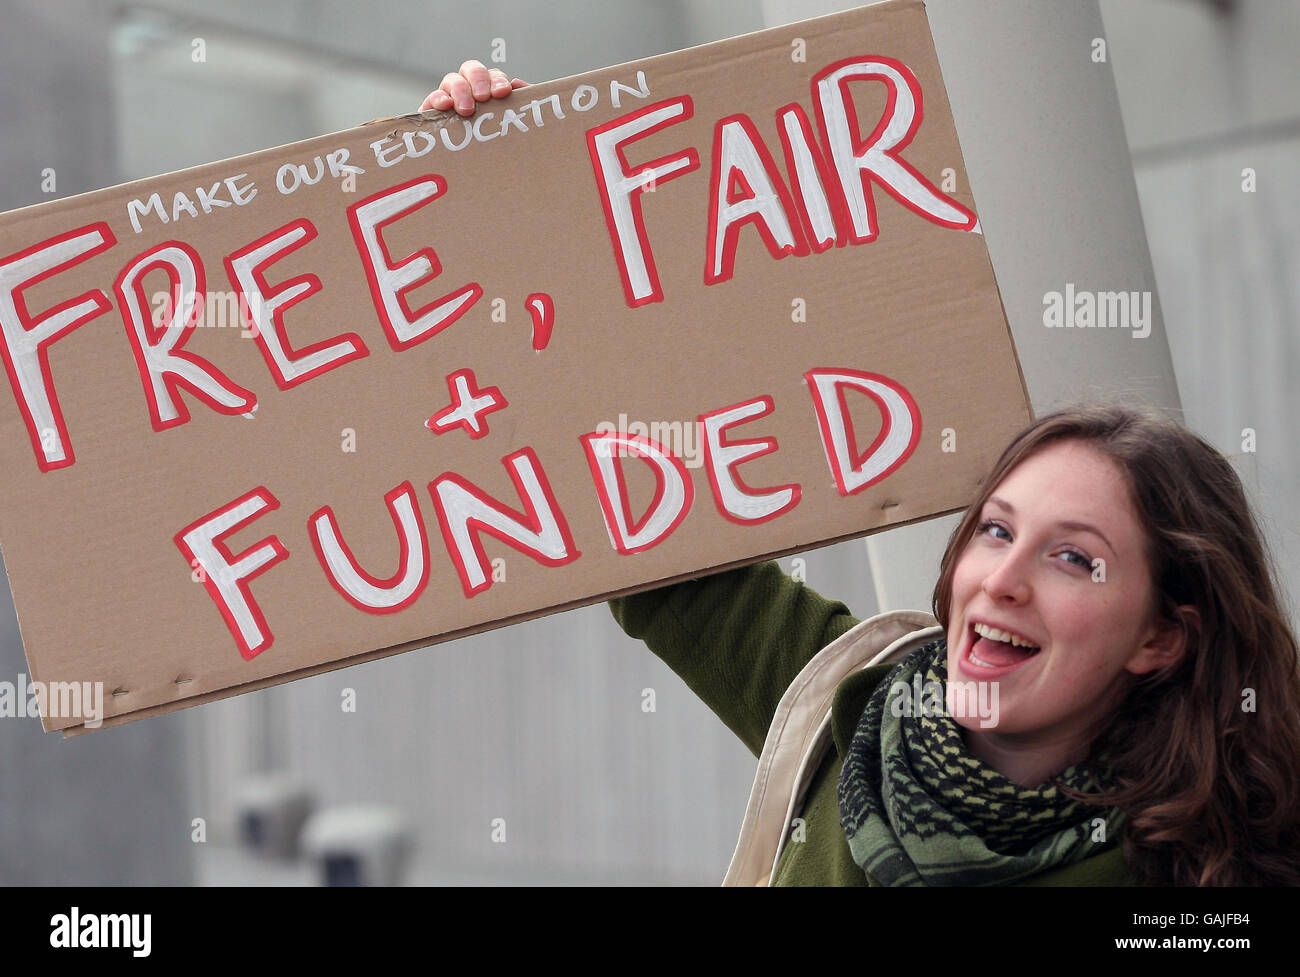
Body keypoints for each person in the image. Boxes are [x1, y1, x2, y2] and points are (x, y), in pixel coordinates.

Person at [421, 66, 1300, 886]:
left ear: (1162, 637)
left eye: (1072, 558)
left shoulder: (1213, 873)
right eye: (995, 530)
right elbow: (634, 502)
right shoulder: (847, 701)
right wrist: (517, 179)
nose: (1003, 578)